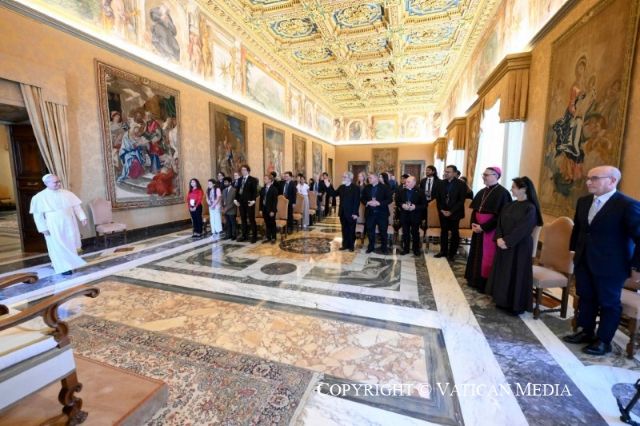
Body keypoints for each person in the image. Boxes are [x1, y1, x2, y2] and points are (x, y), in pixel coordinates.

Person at [563, 166, 640, 355]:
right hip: (584, 260)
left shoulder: (627, 205)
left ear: (612, 181)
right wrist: (574, 251)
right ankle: (586, 332)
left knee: (608, 303)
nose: (588, 182)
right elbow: (579, 229)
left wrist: (636, 266)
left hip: (612, 265)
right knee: (586, 297)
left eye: (595, 178)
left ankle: (604, 341)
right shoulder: (583, 201)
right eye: (588, 178)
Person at [486, 176, 543, 315]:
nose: (511, 189)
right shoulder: (509, 205)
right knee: (504, 273)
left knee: (516, 274)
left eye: (514, 187)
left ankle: (515, 305)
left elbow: (523, 229)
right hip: (503, 244)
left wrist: (507, 241)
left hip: (520, 247)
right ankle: (502, 300)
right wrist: (499, 238)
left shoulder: (530, 208)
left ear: (523, 189)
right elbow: (499, 223)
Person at [464, 167, 512, 293]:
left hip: (491, 231)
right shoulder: (482, 191)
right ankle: (474, 279)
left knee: (487, 257)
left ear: (496, 176)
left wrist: (484, 227)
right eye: (483, 174)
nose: (484, 177)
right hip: (478, 229)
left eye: (486, 175)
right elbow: (475, 210)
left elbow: (501, 216)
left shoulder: (503, 193)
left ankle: (485, 284)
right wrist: (474, 224)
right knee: (476, 254)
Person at [29, 174, 87, 275]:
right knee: (57, 245)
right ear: (46, 183)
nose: (59, 184)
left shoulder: (67, 193)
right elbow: (37, 215)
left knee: (70, 243)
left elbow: (77, 207)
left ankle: (71, 264)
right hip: (53, 224)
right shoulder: (39, 197)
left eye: (59, 181)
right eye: (55, 182)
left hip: (69, 222)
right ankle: (63, 267)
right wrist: (43, 228)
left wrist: (82, 217)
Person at [433, 165, 467, 260]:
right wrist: (442, 210)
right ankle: (443, 251)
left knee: (454, 233)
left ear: (455, 173)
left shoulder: (461, 184)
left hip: (455, 213)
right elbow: (438, 199)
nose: (446, 173)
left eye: (448, 172)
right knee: (443, 232)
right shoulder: (440, 183)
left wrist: (451, 211)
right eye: (445, 171)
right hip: (443, 212)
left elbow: (461, 201)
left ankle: (452, 253)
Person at [325, 172, 360, 251]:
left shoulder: (355, 188)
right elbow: (333, 194)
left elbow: (356, 201)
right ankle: (345, 245)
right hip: (342, 212)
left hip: (351, 213)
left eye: (344, 177)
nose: (343, 178)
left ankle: (351, 246)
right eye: (343, 176)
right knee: (344, 229)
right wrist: (328, 186)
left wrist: (355, 213)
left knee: (351, 230)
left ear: (350, 178)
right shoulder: (341, 187)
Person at [362, 173, 391, 254]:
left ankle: (384, 248)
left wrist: (379, 203)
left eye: (370, 178)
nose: (369, 179)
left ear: (376, 178)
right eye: (368, 178)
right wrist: (367, 202)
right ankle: (371, 247)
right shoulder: (367, 187)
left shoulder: (385, 187)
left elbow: (389, 199)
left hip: (382, 213)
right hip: (370, 213)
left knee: (383, 231)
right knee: (370, 231)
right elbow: (362, 198)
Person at [397, 176, 426, 256]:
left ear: (414, 183)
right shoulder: (401, 191)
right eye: (406, 182)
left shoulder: (420, 191)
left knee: (415, 233)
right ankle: (406, 249)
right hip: (404, 215)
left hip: (415, 215)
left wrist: (415, 207)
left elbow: (424, 205)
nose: (406, 183)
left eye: (408, 182)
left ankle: (416, 249)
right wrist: (402, 205)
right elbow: (397, 201)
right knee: (405, 233)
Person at [234, 164, 258, 243]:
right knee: (243, 219)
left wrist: (253, 200)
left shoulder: (253, 179)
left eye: (244, 170)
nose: (243, 171)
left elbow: (254, 191)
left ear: (248, 171)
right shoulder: (239, 179)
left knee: (251, 219)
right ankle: (244, 235)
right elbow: (237, 190)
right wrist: (235, 199)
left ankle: (254, 236)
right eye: (242, 170)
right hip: (241, 202)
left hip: (249, 202)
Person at [260, 174, 279, 244]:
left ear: (270, 180)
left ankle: (273, 237)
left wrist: (273, 211)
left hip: (271, 210)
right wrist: (260, 209)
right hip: (264, 209)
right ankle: (268, 237)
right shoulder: (263, 189)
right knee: (267, 223)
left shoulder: (274, 189)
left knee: (272, 223)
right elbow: (261, 200)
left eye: (265, 179)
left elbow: (275, 201)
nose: (264, 180)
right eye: (264, 178)